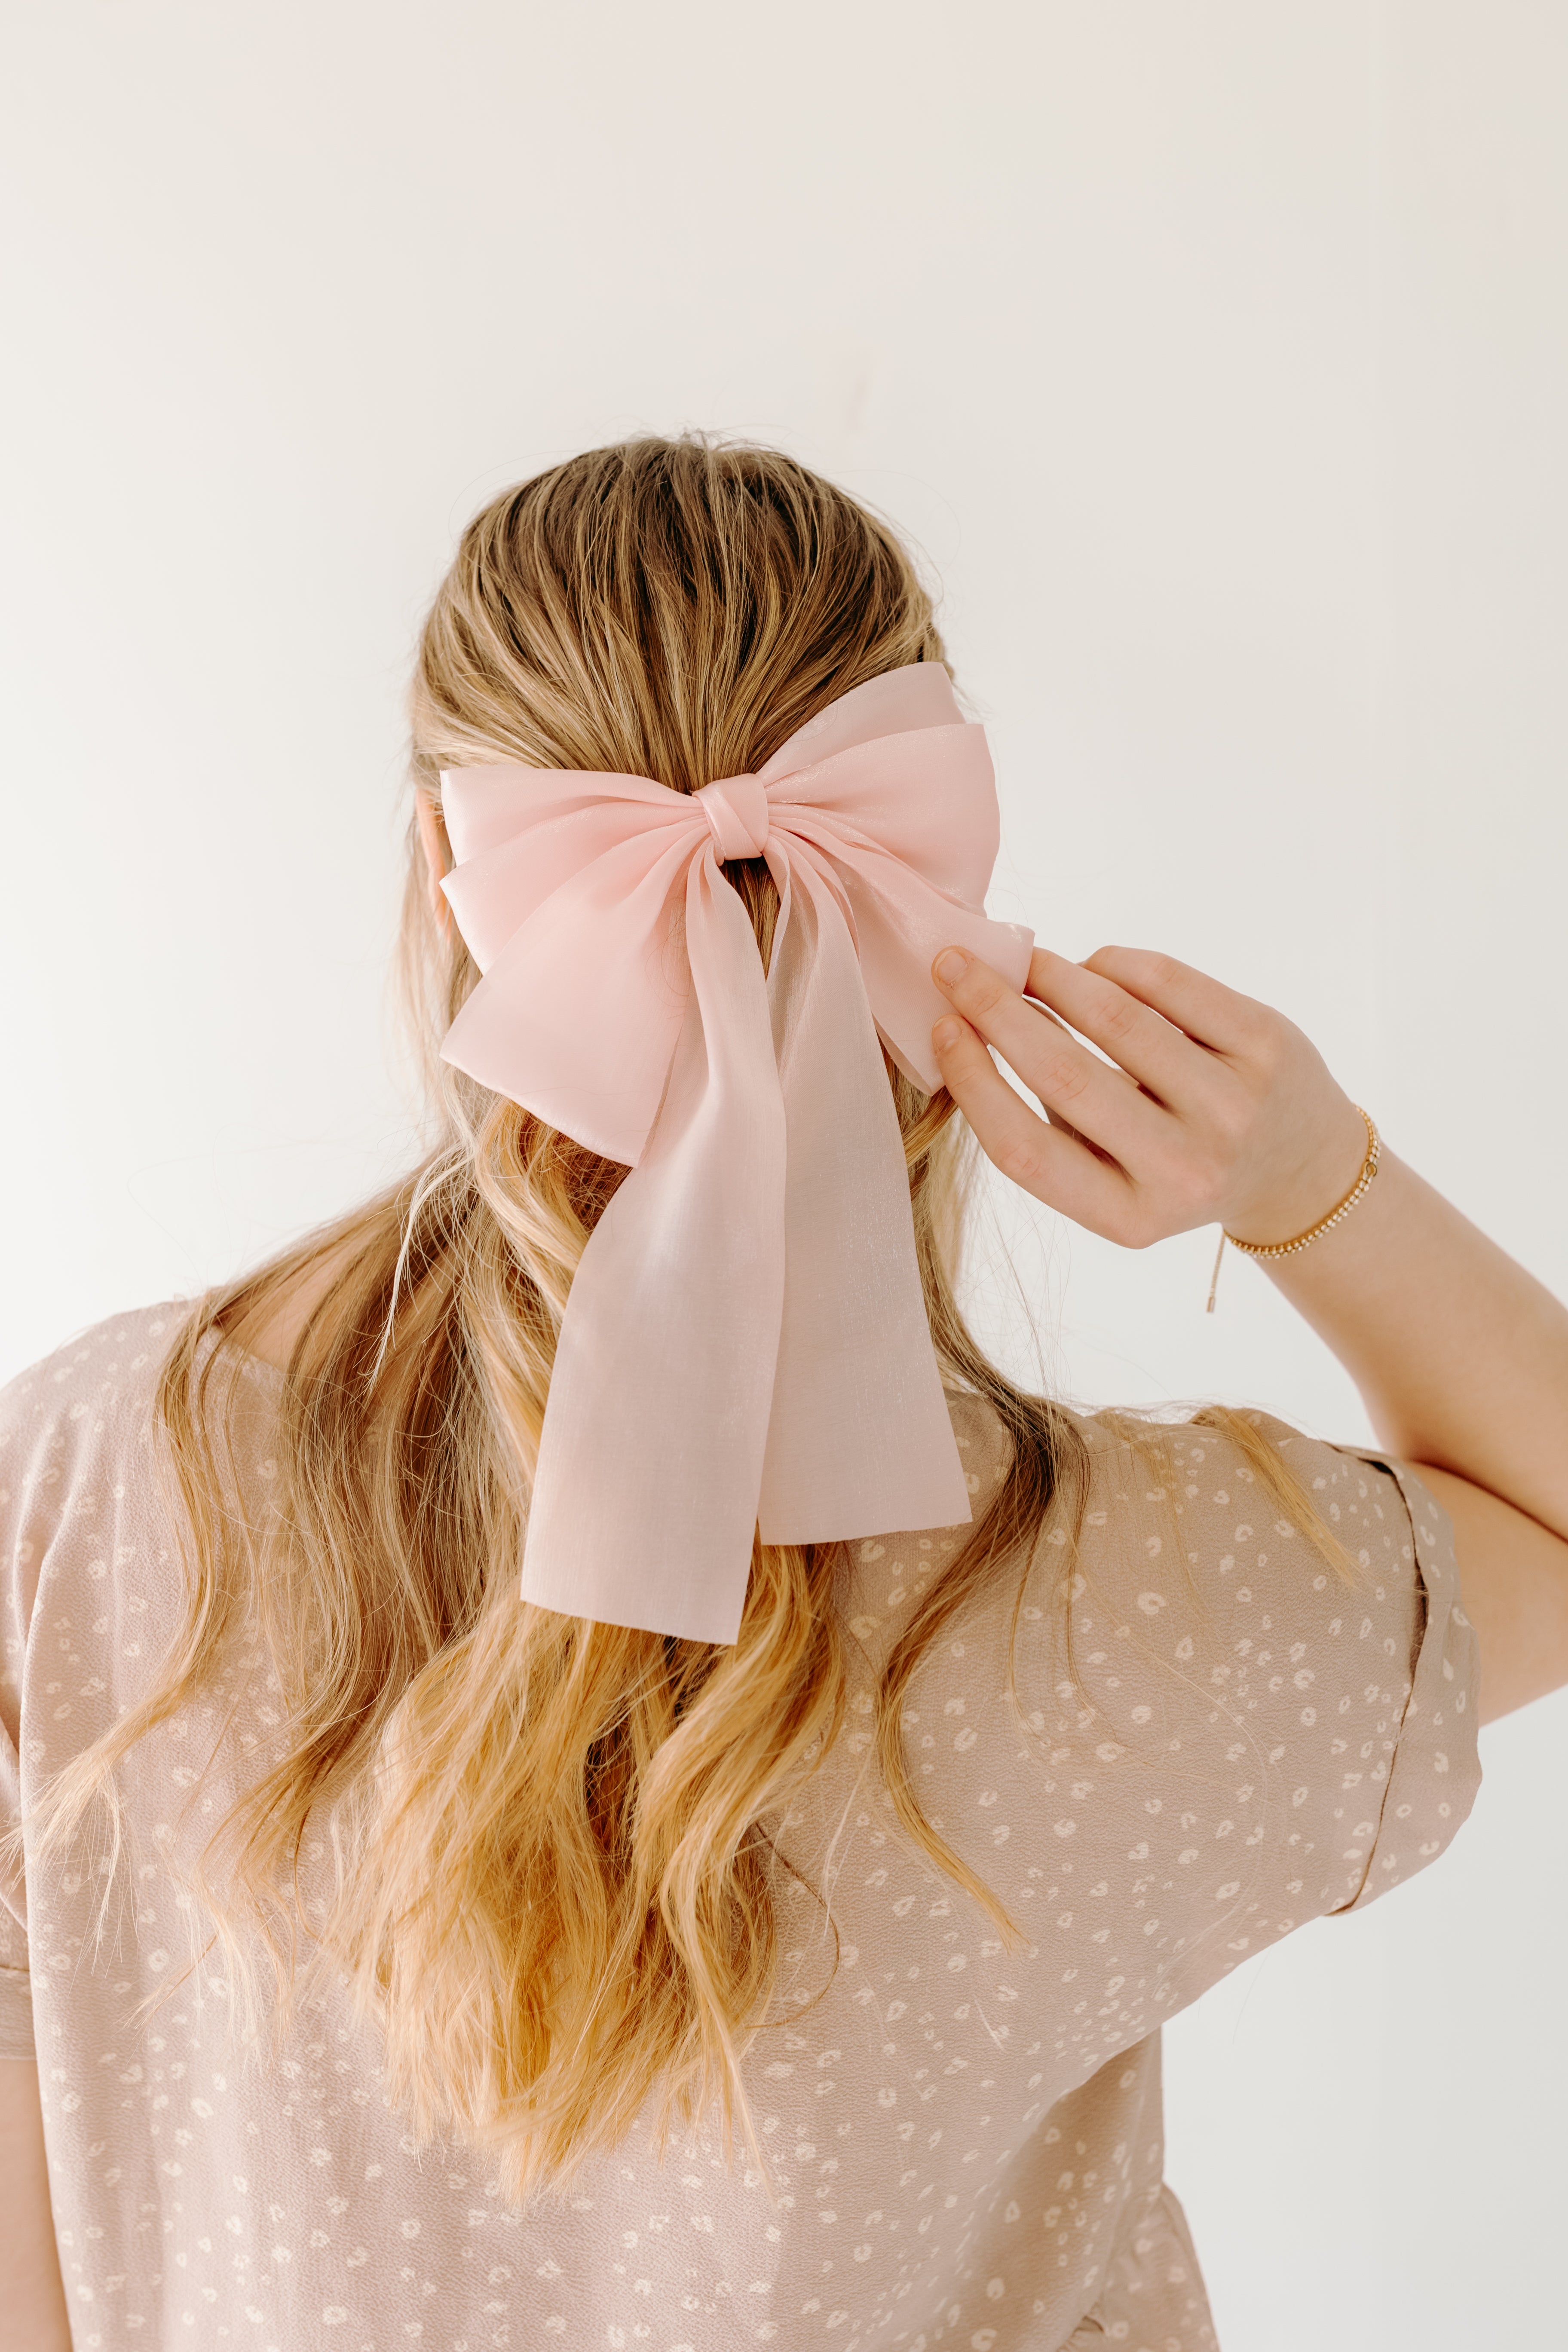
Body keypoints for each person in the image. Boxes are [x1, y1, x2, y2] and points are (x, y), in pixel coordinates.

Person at [1, 438, 1564, 2352]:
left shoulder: (78, 1483)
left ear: (445, 875)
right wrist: (1310, 1182)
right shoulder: (1132, 1596)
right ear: (934, 901)